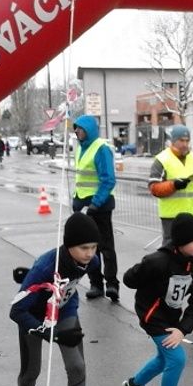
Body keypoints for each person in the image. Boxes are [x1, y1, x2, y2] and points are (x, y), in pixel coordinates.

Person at [9, 212, 100, 386]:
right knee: (31, 371)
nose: (90, 253)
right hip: (34, 317)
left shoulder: (92, 262)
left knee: (77, 367)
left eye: (94, 247)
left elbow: (69, 285)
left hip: (64, 311)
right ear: (69, 245)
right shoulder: (46, 268)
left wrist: (70, 312)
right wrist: (54, 335)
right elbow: (16, 311)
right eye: (84, 248)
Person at [122, 213, 193, 386]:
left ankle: (134, 385)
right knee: (177, 359)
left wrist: (183, 329)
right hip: (151, 316)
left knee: (163, 358)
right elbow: (129, 279)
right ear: (180, 241)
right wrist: (144, 272)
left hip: (171, 316)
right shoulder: (157, 261)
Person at [72, 114, 120, 302]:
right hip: (84, 206)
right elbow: (82, 178)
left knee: (106, 247)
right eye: (75, 128)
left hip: (99, 207)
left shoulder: (101, 148)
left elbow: (108, 180)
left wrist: (94, 204)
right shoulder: (80, 148)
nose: (76, 131)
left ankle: (112, 284)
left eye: (80, 128)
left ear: (89, 130)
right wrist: (77, 201)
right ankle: (96, 284)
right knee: (89, 249)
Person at [149, 124, 193, 245]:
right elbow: (154, 188)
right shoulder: (162, 159)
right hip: (172, 216)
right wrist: (174, 185)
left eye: (187, 141)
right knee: (172, 251)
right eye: (181, 140)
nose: (185, 144)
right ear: (173, 141)